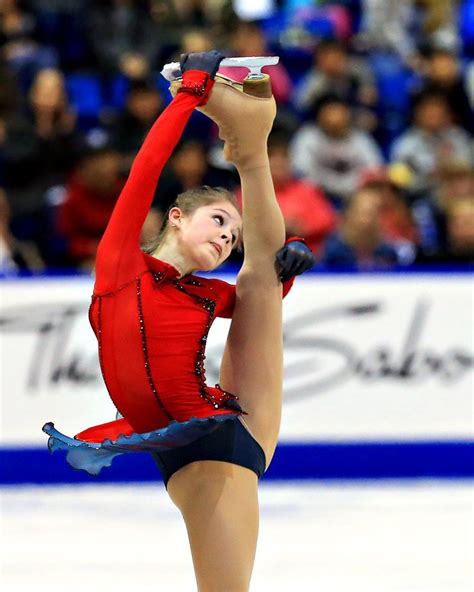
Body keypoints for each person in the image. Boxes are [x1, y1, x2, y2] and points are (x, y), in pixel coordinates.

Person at [43, 51, 314, 591]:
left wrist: (291, 264)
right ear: (176, 216)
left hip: (222, 437)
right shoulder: (123, 267)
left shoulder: (208, 294)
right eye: (218, 222)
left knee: (259, 278)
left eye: (230, 236)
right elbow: (144, 171)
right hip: (196, 440)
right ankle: (246, 135)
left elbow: (263, 292)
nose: (223, 238)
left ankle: (249, 149)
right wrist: (188, 95)